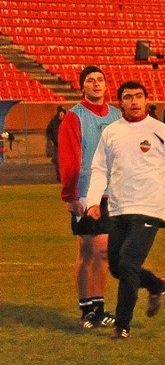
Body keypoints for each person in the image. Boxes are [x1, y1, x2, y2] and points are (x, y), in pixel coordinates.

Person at [85, 80, 165, 339]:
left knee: (128, 262)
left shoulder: (162, 132)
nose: (134, 101)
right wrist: (93, 201)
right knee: (117, 267)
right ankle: (156, 285)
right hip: (118, 209)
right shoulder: (111, 132)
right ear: (120, 102)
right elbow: (99, 168)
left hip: (150, 209)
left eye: (138, 96)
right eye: (128, 97)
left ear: (146, 100)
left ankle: (122, 325)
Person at [58, 65, 122, 329]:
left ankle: (98, 307)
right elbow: (69, 158)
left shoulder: (117, 115)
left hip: (112, 194)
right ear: (82, 86)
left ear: (106, 85)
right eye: (90, 80)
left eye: (100, 79)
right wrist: (71, 195)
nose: (96, 84)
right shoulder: (75, 117)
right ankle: (87, 309)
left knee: (103, 252)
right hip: (86, 194)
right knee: (89, 250)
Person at [45, 105, 66, 180]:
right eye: (60, 112)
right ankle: (60, 177)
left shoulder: (67, 121)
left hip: (66, 145)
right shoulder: (53, 122)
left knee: (66, 161)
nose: (61, 114)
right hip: (57, 145)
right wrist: (52, 139)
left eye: (63, 112)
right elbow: (48, 131)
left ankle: (65, 176)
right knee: (58, 161)